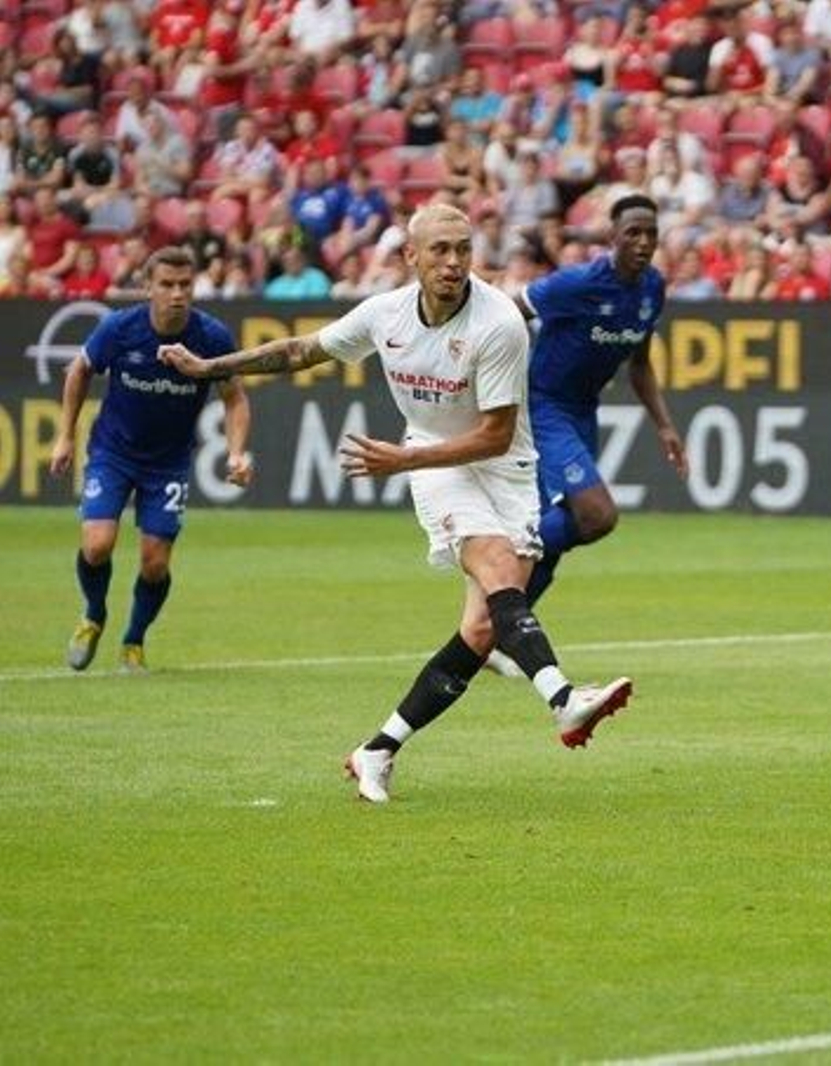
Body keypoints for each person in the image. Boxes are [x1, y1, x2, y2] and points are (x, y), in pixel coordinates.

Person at [157, 203, 633, 804]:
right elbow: (303, 351)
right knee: (493, 570)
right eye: (440, 250)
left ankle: (376, 750)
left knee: (483, 627)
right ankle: (565, 700)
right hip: (435, 458)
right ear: (412, 257)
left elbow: (492, 434)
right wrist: (209, 367)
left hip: (504, 466)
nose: (454, 262)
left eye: (463, 249)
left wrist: (398, 461)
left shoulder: (500, 324)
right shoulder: (384, 314)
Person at [48, 246, 253, 674]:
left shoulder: (211, 338)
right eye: (167, 284)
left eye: (185, 285)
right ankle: (94, 614)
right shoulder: (120, 329)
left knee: (155, 562)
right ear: (147, 287)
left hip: (169, 463)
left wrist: (236, 452)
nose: (177, 294)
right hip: (112, 452)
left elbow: (234, 398)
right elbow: (79, 371)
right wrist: (65, 436)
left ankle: (133, 641)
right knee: (97, 544)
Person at [512, 194, 686, 613]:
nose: (644, 242)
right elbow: (510, 312)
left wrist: (664, 425)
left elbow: (639, 364)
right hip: (543, 406)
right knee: (597, 515)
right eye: (633, 233)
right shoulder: (577, 283)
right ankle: (507, 550)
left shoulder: (652, 288)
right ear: (612, 237)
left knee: (563, 533)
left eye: (651, 234)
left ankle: (501, 629)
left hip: (583, 412)